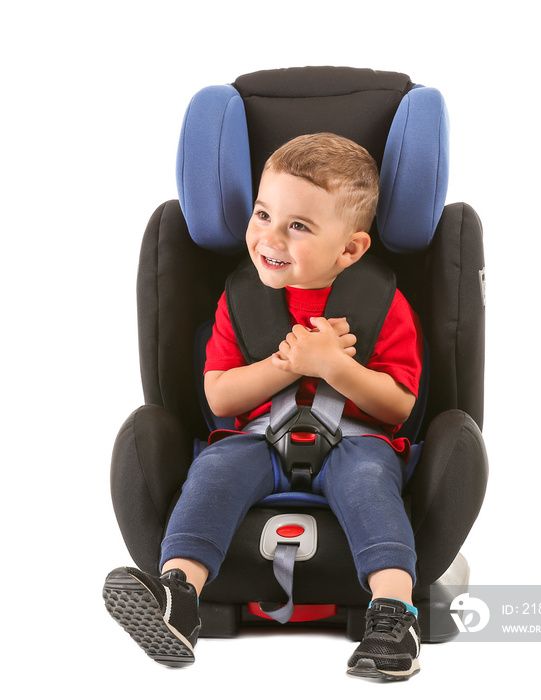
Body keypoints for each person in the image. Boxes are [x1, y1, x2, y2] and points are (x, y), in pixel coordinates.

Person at [103, 132, 424, 681]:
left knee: (369, 481)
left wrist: (338, 369)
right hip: (256, 440)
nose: (268, 237)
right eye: (261, 213)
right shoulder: (240, 300)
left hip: (358, 441)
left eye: (297, 226)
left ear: (349, 249)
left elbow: (399, 407)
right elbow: (219, 396)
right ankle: (179, 596)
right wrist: (291, 364)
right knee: (215, 468)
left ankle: (394, 616)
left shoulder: (384, 305)